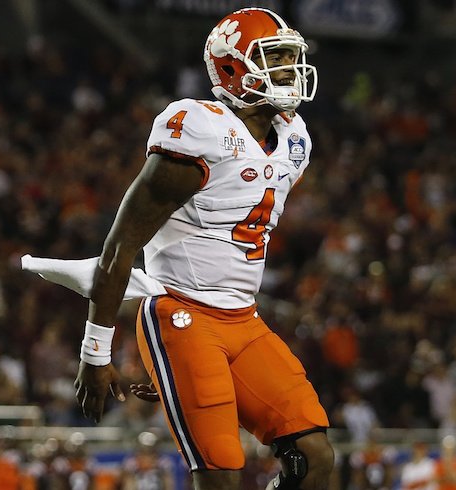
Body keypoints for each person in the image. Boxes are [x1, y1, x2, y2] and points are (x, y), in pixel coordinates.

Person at [70, 8, 333, 490]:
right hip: (182, 318)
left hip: (244, 321)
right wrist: (95, 352)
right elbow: (119, 247)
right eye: (274, 58)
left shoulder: (295, 139)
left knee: (315, 459)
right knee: (222, 477)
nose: (289, 72)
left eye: (290, 59)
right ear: (233, 67)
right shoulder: (199, 130)